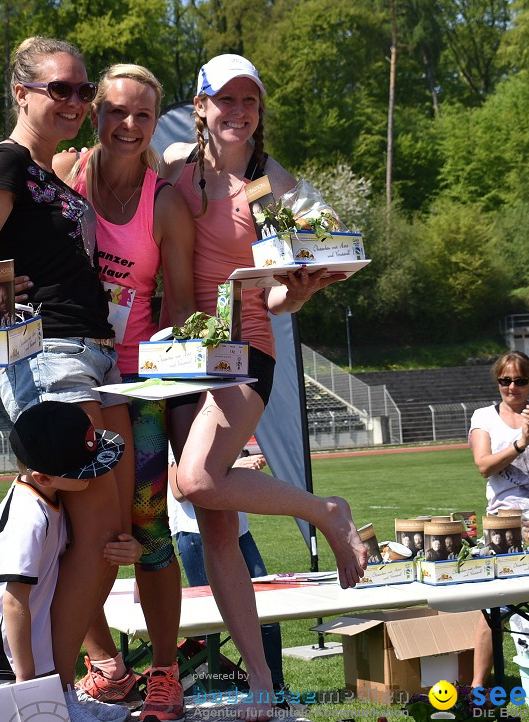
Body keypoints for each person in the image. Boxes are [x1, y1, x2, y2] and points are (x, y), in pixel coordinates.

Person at [161, 53, 367, 720]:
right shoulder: (172, 166)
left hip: (243, 353)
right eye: (227, 100)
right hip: (178, 357)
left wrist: (300, 286)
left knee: (193, 480)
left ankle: (323, 510)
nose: (239, 112)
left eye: (250, 101)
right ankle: (259, 678)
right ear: (201, 106)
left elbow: (288, 285)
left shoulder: (273, 182)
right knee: (216, 529)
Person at [0, 36, 134, 718]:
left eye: (84, 91)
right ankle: (44, 696)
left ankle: (64, 683)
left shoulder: (46, 174)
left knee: (107, 527)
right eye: (62, 89)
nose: (77, 101)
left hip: (91, 351)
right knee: (94, 522)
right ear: (22, 92)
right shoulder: (6, 163)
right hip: (48, 354)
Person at [53, 63, 196, 721]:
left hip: (137, 388)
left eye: (143, 114)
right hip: (72, 377)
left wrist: (163, 401)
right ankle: (107, 665)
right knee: (68, 526)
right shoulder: (63, 176)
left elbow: (185, 313)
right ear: (95, 113)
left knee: (148, 528)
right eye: (116, 111)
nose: (130, 125)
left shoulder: (164, 204)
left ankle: (165, 673)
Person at [0, 401, 138, 722]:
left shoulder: (48, 496)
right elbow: (14, 603)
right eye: (85, 470)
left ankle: (63, 696)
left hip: (30, 644)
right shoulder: (27, 520)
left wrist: (129, 550)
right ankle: (57, 699)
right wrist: (27, 681)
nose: (95, 474)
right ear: (43, 478)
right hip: (4, 658)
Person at [468, 349, 529, 689]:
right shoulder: (483, 417)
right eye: (506, 380)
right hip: (506, 521)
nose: (513, 387)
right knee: (494, 608)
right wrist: (520, 443)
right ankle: (479, 687)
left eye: (520, 380)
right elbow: (484, 466)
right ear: (497, 382)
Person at [166, 453, 286, 695]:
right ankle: (203, 690)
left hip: (239, 532)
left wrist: (243, 468)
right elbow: (178, 489)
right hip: (198, 535)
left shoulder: (225, 420)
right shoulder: (181, 421)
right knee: (210, 624)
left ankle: (275, 688)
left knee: (268, 613)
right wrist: (234, 466)